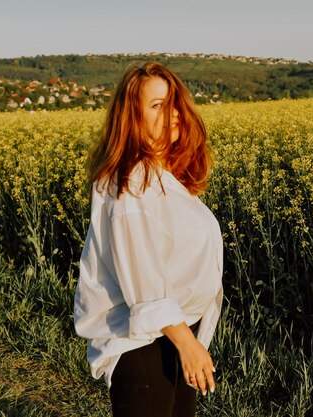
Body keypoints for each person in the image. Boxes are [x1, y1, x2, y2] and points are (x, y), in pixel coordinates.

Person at [73, 61, 224, 417]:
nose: (171, 114)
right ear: (132, 118)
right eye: (157, 105)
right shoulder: (129, 184)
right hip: (144, 344)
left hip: (170, 336)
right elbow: (143, 283)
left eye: (173, 103)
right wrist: (188, 344)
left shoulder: (162, 176)